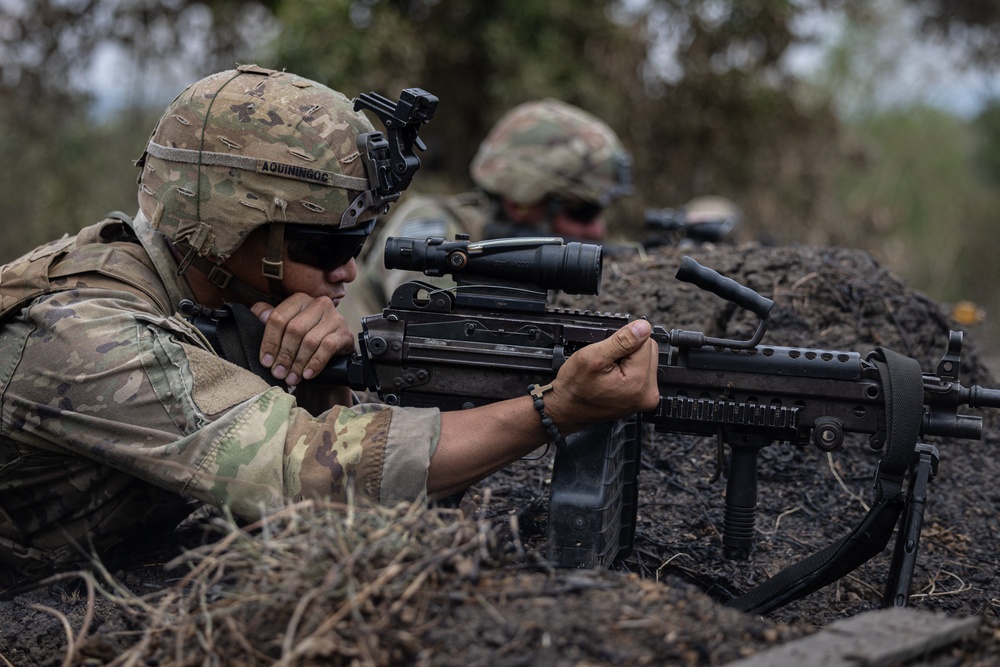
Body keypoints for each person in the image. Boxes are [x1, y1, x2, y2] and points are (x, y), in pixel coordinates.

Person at [0, 66, 659, 586]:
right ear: (233, 227)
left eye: (361, 241)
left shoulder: (217, 298)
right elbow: (313, 474)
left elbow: (335, 478)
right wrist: (554, 408)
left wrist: (320, 384)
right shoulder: (84, 335)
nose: (349, 271)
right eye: (327, 247)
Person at [340, 98, 632, 328]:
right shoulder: (431, 222)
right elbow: (434, 322)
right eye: (582, 212)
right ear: (523, 200)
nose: (597, 230)